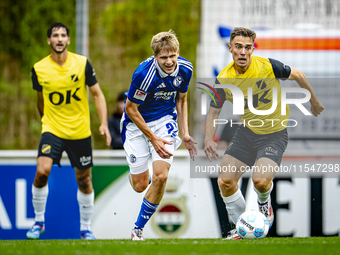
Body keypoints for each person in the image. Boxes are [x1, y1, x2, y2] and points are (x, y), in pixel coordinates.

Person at [203, 27, 324, 240]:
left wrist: (313, 101)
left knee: (260, 181)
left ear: (252, 49)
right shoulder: (224, 78)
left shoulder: (267, 66)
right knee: (225, 181)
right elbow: (214, 111)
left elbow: (299, 75)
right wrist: (207, 139)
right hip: (246, 133)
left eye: (247, 47)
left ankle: (264, 203)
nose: (243, 52)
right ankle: (242, 228)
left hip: (274, 135)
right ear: (230, 48)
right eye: (238, 47)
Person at [26, 23, 111, 240]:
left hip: (79, 131)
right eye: (55, 35)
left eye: (63, 35)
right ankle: (38, 221)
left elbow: (98, 95)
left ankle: (86, 228)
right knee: (42, 171)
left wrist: (103, 123)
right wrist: (46, 121)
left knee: (84, 180)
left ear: (69, 40)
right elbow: (40, 100)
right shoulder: (39, 68)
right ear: (49, 41)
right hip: (52, 129)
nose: (60, 39)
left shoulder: (82, 64)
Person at [121, 30, 197, 241]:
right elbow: (131, 109)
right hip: (136, 123)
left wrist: (186, 133)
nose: (169, 61)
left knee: (161, 176)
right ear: (155, 57)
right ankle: (137, 173)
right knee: (140, 185)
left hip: (165, 121)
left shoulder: (186, 69)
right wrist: (152, 139)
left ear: (177, 52)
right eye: (163, 57)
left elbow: (181, 100)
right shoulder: (143, 75)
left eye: (172, 56)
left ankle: (138, 229)